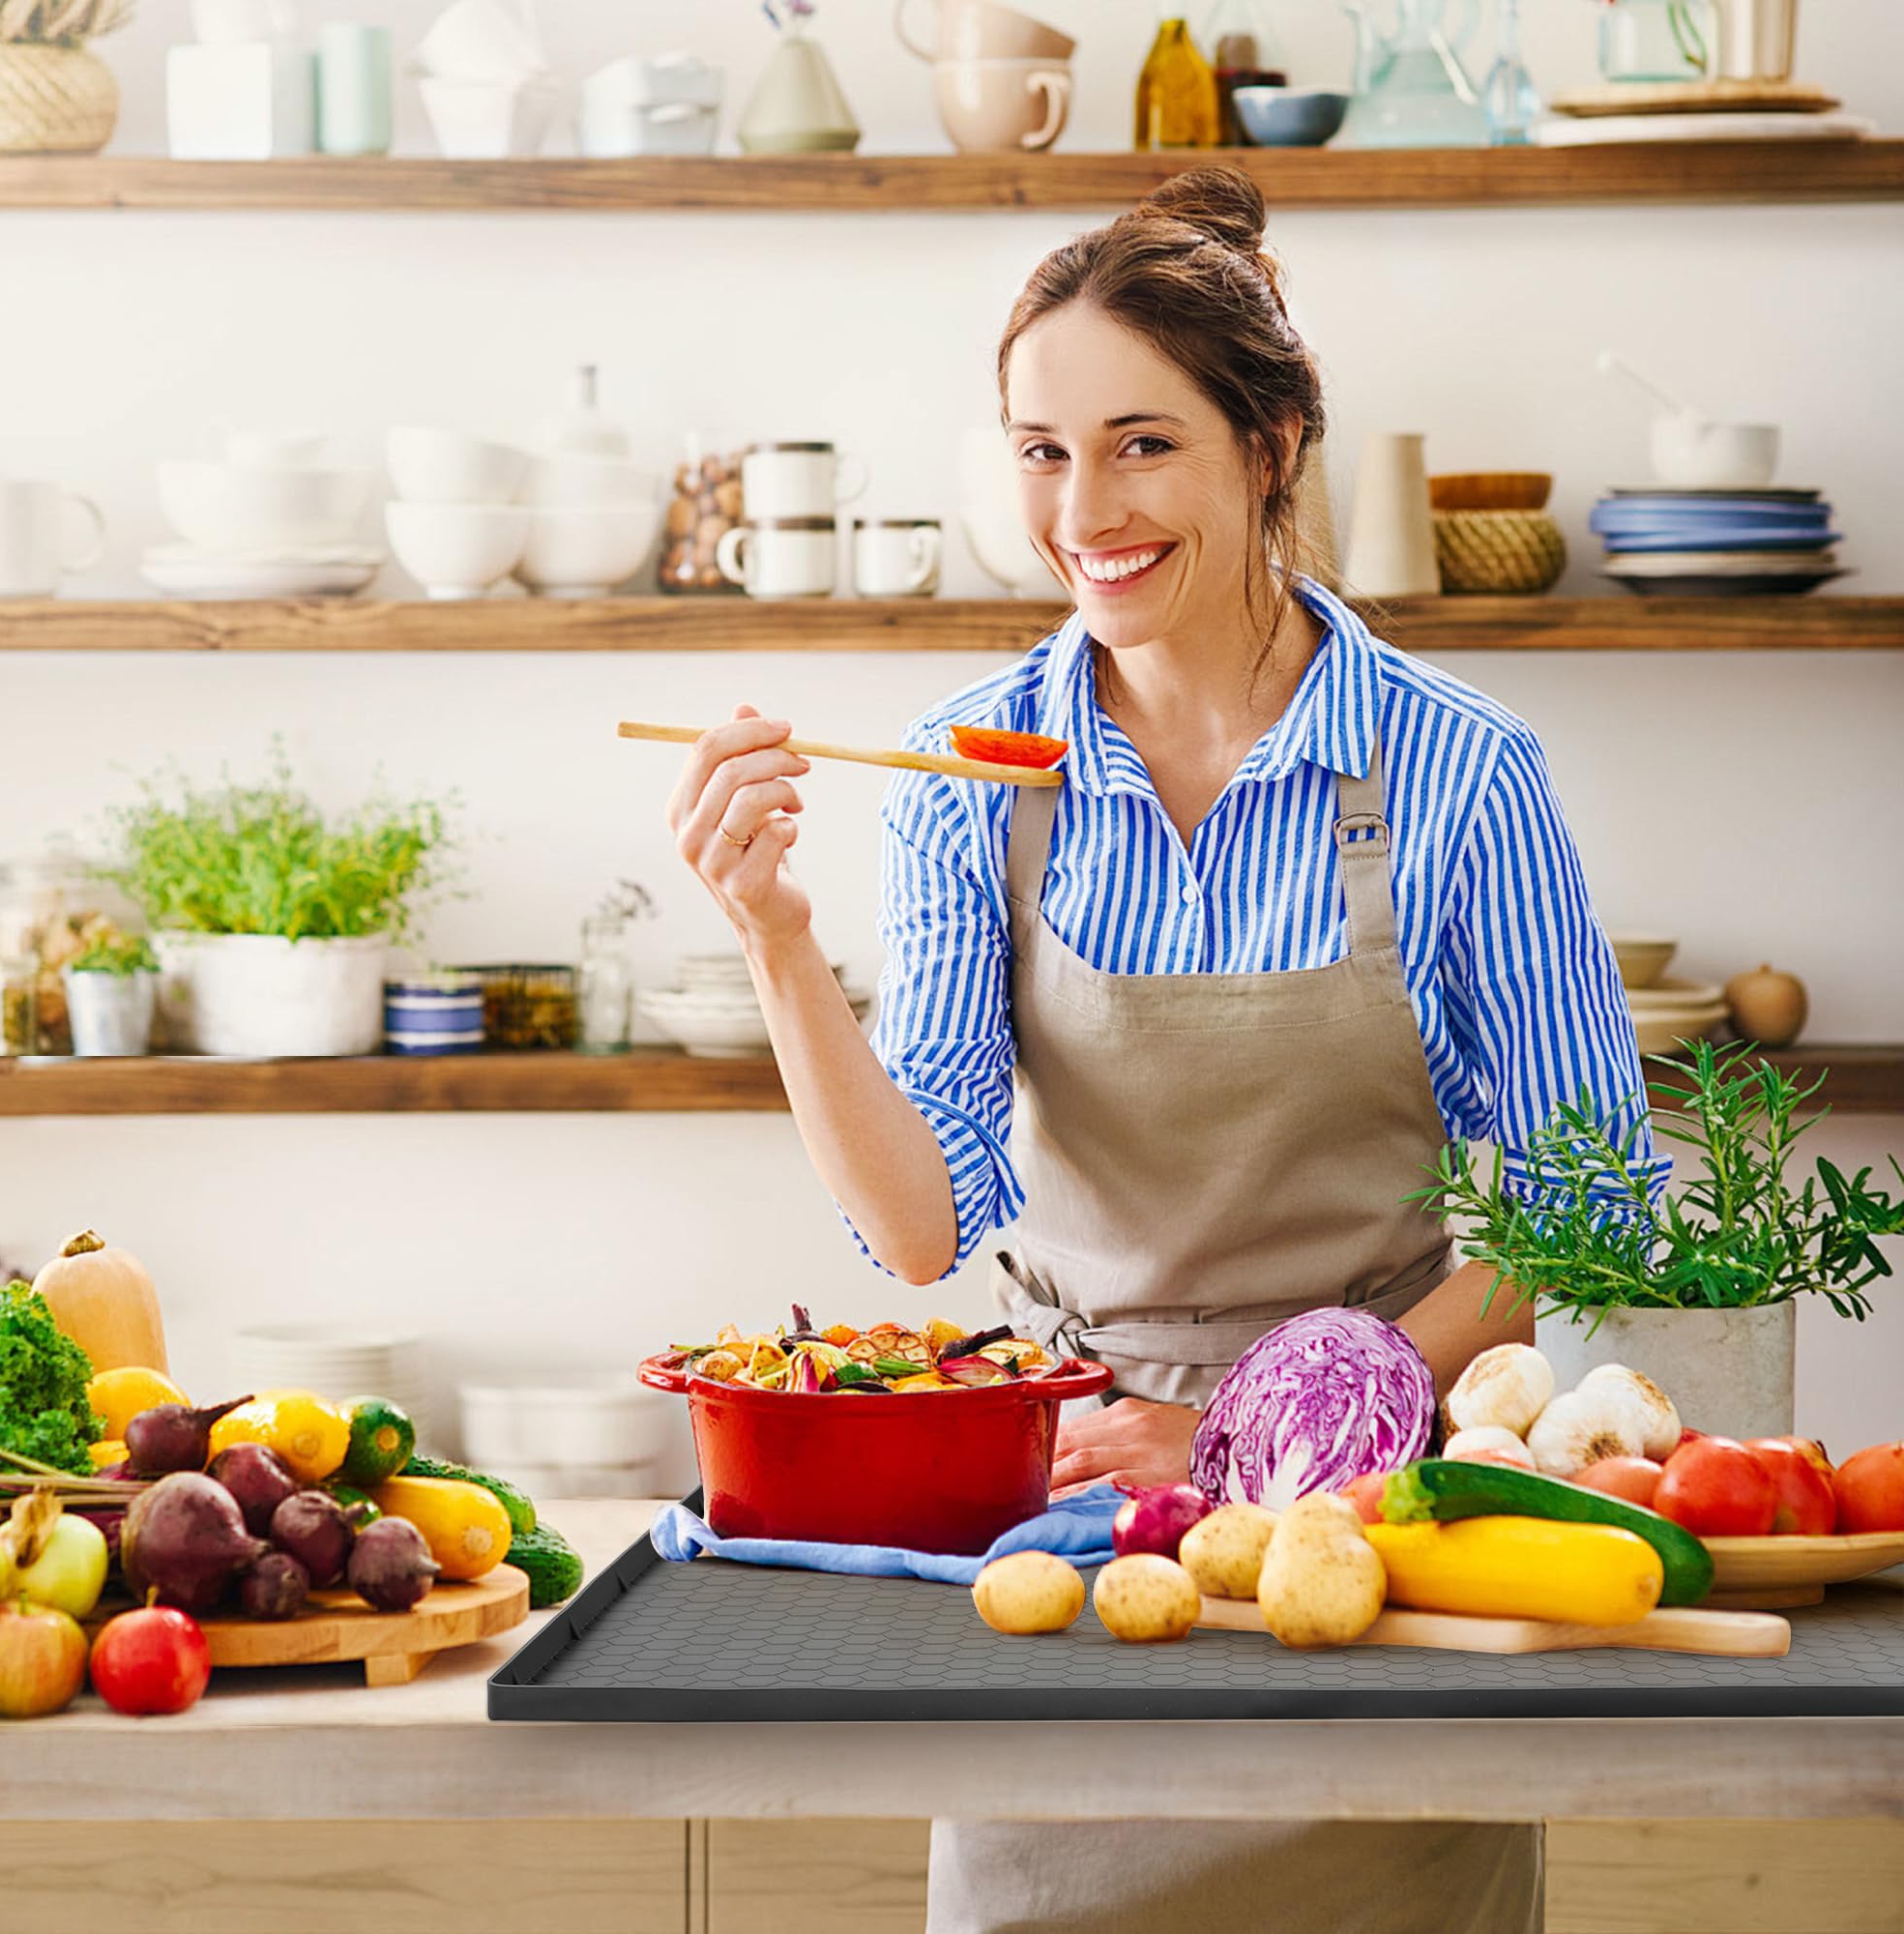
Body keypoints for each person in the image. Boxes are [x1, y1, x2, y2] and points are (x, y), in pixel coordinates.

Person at [663, 165, 1661, 1934]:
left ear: (1271, 445)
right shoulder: (973, 771)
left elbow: (1577, 1212)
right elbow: (920, 1223)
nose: (1083, 511)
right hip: (1076, 1520)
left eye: (1141, 446)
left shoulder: (1455, 772)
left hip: (1378, 1525)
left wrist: (1246, 1448)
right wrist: (777, 939)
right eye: (1040, 452)